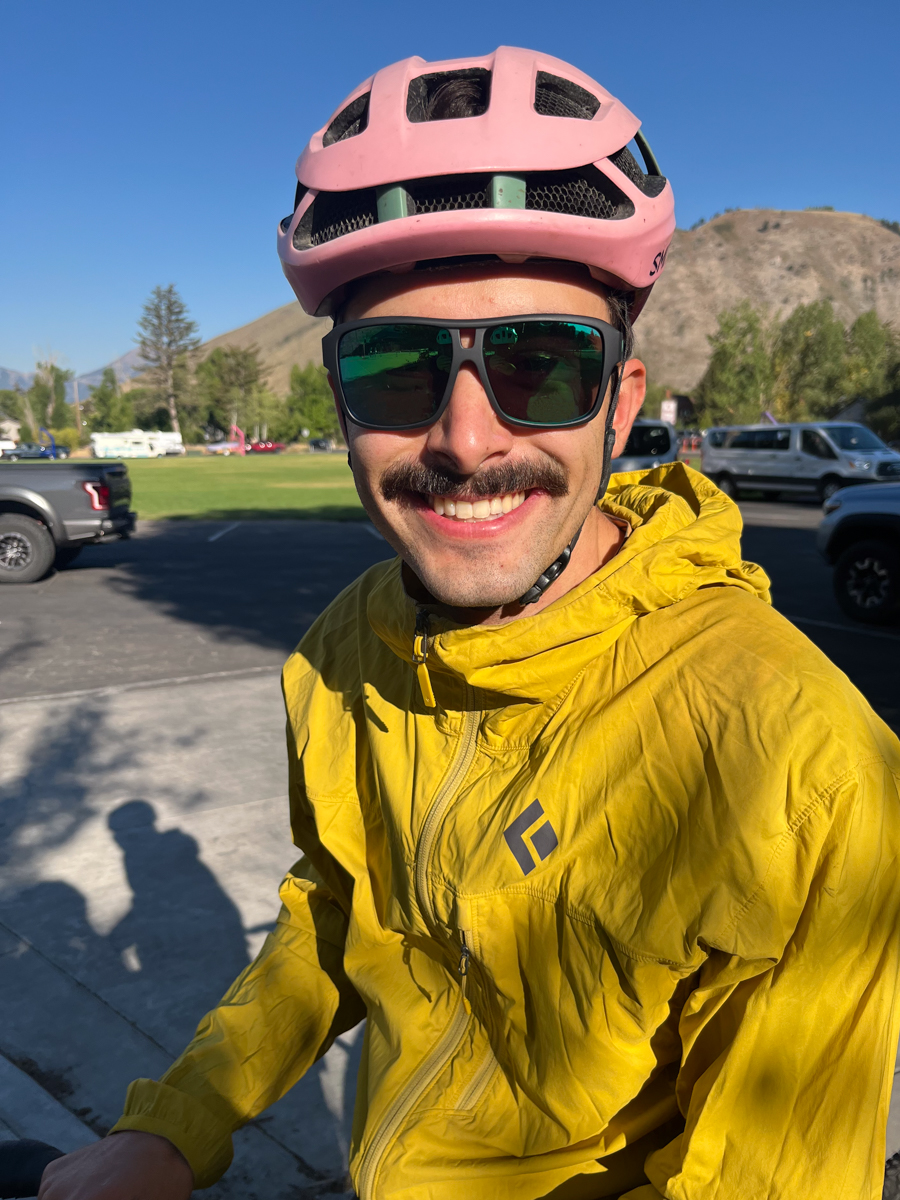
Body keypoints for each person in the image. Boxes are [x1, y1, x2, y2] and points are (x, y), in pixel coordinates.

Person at [42, 47, 900, 1200]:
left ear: (623, 403)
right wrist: (171, 1127)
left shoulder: (807, 762)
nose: (465, 438)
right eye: (396, 370)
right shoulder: (348, 644)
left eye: (540, 365)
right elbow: (337, 909)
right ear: (340, 402)